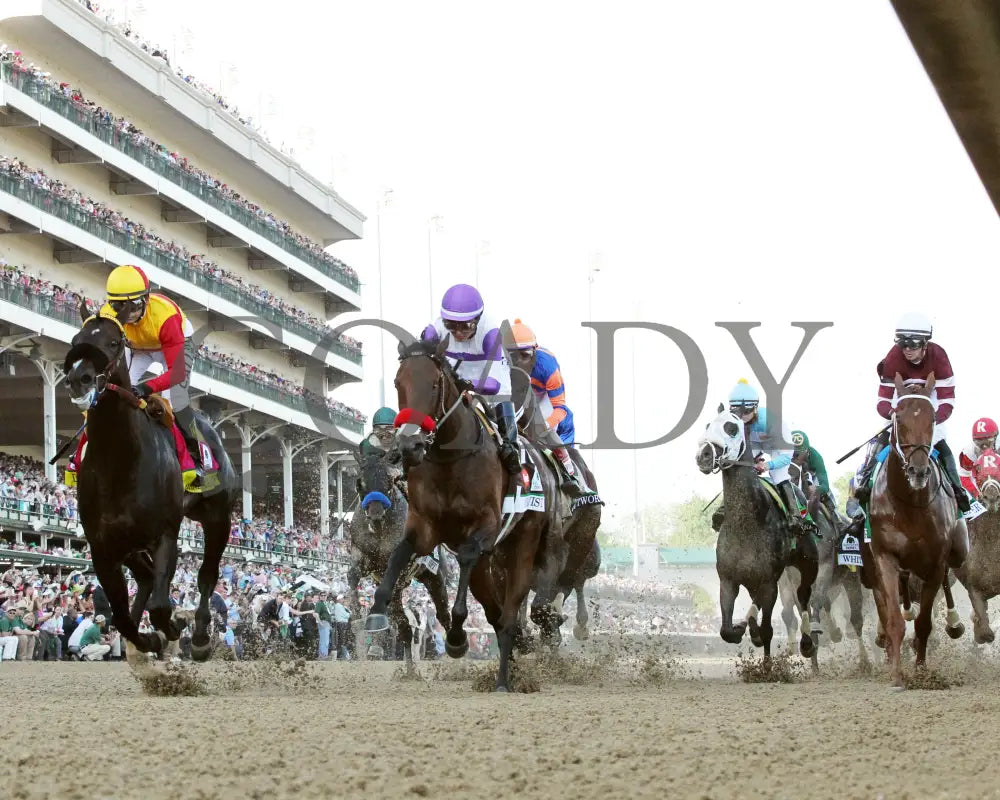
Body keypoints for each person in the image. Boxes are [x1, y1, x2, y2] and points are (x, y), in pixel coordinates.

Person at [99, 264, 209, 490]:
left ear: (146, 300)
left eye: (133, 306)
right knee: (112, 392)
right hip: (138, 347)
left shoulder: (166, 318)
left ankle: (198, 462)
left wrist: (147, 388)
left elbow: (176, 373)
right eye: (119, 306)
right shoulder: (107, 315)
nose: (127, 315)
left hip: (172, 344)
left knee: (174, 402)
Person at [854, 312, 970, 513]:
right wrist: (892, 414)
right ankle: (864, 484)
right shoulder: (893, 357)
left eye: (913, 344)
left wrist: (931, 419)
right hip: (901, 400)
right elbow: (882, 401)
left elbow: (947, 401)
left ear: (925, 344)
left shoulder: (939, 357)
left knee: (940, 440)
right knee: (884, 437)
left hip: (930, 400)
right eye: (902, 344)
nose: (907, 349)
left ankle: (958, 491)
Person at [420, 284, 520, 474]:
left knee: (502, 406)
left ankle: (512, 452)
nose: (458, 333)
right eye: (451, 326)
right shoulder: (436, 328)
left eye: (465, 326)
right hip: (455, 371)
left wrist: (465, 386)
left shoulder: (490, 332)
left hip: (488, 378)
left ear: (477, 319)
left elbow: (493, 385)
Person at [712, 379, 814, 535]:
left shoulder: (771, 421)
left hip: (777, 445)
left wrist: (767, 465)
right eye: (737, 413)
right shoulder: (736, 421)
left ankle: (794, 515)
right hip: (755, 444)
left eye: (746, 412)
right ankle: (723, 508)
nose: (742, 417)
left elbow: (786, 457)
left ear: (755, 408)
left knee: (778, 475)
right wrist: (752, 460)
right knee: (738, 468)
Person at [504, 318, 589, 493]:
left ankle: (570, 474)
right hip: (517, 392)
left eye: (525, 355)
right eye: (512, 356)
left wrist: (544, 425)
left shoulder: (547, 366)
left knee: (541, 429)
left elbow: (560, 408)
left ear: (535, 351)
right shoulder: (500, 362)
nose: (518, 362)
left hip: (541, 397)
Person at [790, 430, 837, 522]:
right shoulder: (784, 456)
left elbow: (825, 486)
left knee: (824, 493)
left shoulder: (816, 457)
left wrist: (817, 488)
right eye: (795, 454)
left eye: (801, 453)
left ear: (807, 451)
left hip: (812, 478)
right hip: (794, 477)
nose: (798, 457)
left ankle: (837, 520)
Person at [959, 417, 998, 500]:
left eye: (988, 440)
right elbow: (964, 476)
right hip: (981, 487)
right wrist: (975, 494)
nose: (984, 445)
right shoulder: (969, 451)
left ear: (996, 437)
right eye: (979, 441)